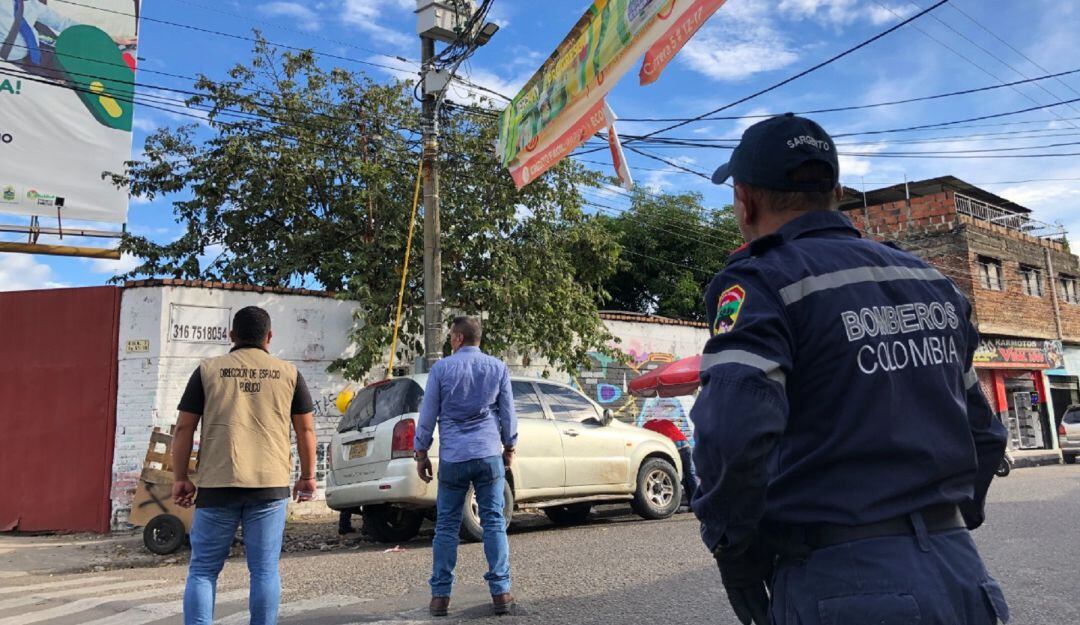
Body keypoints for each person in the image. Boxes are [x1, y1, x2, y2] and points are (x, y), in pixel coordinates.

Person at [691, 114, 1009, 625]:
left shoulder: (761, 281)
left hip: (844, 584)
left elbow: (731, 432)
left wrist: (734, 548)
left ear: (745, 200)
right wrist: (936, 521)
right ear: (835, 191)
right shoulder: (932, 282)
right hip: (964, 579)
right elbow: (985, 433)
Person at [171, 306, 317, 625]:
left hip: (217, 484)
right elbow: (305, 429)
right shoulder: (288, 373)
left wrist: (181, 477)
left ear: (231, 336)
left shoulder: (208, 371)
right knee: (264, 570)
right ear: (269, 337)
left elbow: (183, 428)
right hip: (269, 484)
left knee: (204, 570)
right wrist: (307, 477)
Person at [413, 316, 517, 617]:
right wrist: (509, 447)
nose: (449, 340)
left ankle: (440, 598)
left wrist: (420, 453)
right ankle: (501, 593)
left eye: (451, 336)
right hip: (487, 455)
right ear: (478, 339)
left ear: (458, 338)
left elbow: (428, 414)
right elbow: (508, 413)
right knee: (494, 522)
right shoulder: (497, 367)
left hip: (454, 458)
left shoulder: (441, 369)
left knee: (446, 526)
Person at [1, 0, 137, 66]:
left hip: (38, 52)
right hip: (11, 63)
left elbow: (63, 23)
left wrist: (107, 37)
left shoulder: (31, 4)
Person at [641, 414, 696, 508]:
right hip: (685, 445)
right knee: (690, 474)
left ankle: (676, 503)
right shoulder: (666, 422)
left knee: (675, 475)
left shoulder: (646, 427)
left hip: (674, 446)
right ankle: (695, 501)